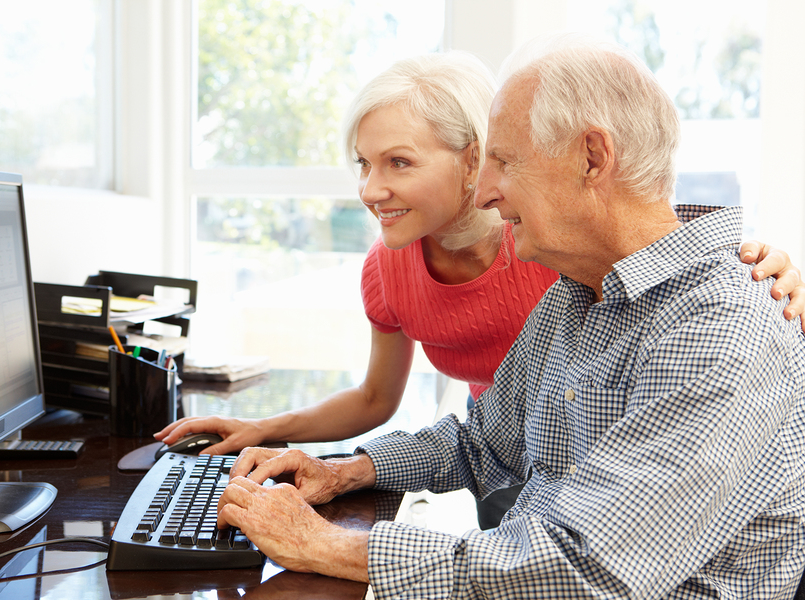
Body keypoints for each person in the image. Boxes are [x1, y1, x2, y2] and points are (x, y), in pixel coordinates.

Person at [213, 34, 805, 599]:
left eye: (503, 161)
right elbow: (481, 443)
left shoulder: (718, 328)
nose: (486, 191)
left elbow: (582, 569)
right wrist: (343, 472)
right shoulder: (575, 297)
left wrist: (327, 545)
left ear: (592, 158)